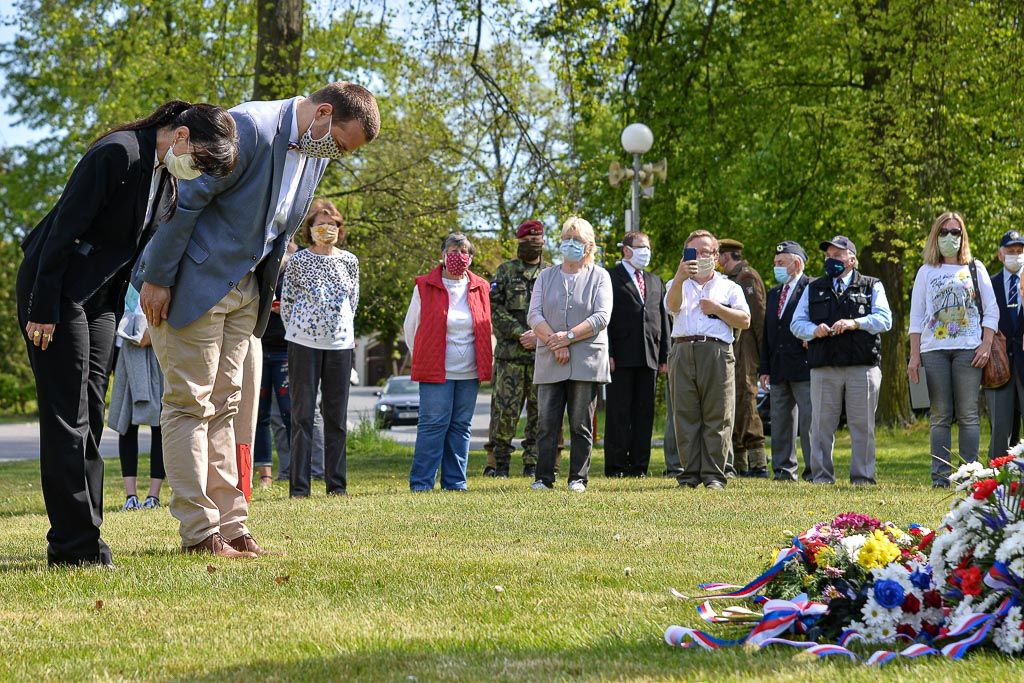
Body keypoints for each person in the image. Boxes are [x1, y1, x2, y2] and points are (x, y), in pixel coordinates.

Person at [136, 83, 380, 558]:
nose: (337, 154)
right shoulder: (246, 127)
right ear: (324, 112)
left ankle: (232, 525)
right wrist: (158, 277)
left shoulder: (314, 146)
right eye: (340, 143)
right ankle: (199, 533)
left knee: (227, 406)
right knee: (190, 405)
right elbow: (184, 199)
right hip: (192, 282)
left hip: (247, 289)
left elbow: (278, 222)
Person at [16, 100, 238, 568]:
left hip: (98, 300)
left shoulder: (164, 175)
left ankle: (87, 534)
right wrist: (42, 310)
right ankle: (73, 548)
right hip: (54, 294)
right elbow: (61, 232)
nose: (195, 172)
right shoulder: (118, 154)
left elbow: (126, 252)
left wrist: (119, 312)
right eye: (198, 160)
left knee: (92, 412)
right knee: (66, 418)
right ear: (180, 136)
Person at [790, 235, 893, 485]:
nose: (830, 260)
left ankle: (863, 478)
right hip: (824, 367)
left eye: (837, 256)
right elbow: (796, 323)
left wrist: (855, 323)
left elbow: (885, 319)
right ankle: (822, 477)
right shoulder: (813, 287)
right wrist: (813, 330)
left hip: (862, 367)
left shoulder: (871, 285)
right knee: (821, 427)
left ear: (852, 259)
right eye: (828, 256)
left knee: (862, 426)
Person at [908, 213, 997, 487]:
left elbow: (991, 311)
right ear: (936, 236)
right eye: (944, 231)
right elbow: (916, 316)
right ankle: (940, 478)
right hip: (933, 351)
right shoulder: (926, 271)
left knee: (969, 414)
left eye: (955, 232)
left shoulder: (975, 268)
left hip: (969, 351)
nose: (950, 237)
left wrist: (986, 344)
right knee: (940, 415)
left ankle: (970, 476)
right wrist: (914, 356)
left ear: (963, 236)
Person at [281, 198, 360, 497]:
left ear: (340, 228)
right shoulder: (299, 261)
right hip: (303, 344)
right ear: (310, 229)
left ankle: (336, 486)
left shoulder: (349, 261)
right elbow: (287, 301)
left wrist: (339, 329)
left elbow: (353, 301)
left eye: (333, 225)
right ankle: (300, 488)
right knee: (301, 415)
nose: (327, 229)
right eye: (321, 224)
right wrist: (299, 329)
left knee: (336, 417)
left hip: (340, 345)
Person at [528, 216, 612, 493]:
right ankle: (543, 478)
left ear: (589, 246)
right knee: (547, 423)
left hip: (585, 361)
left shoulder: (600, 276)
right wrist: (557, 342)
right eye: (567, 238)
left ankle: (578, 478)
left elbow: (601, 316)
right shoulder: (545, 276)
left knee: (580, 423)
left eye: (577, 240)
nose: (571, 244)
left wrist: (570, 337)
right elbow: (534, 314)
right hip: (550, 358)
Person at [404, 233, 493, 491]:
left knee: (461, 427)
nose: (458, 256)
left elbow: (485, 326)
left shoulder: (481, 287)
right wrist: (424, 355)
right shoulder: (424, 286)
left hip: (469, 371)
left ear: (471, 258)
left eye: (463, 251)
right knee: (433, 425)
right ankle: (421, 483)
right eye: (452, 251)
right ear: (442, 256)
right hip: (436, 370)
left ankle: (455, 483)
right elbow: (411, 328)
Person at [665, 230, 751, 490]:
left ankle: (714, 475)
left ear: (716, 257)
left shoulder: (729, 287)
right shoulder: (676, 282)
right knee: (685, 414)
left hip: (716, 351)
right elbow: (672, 307)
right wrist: (680, 277)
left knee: (718, 414)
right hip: (682, 350)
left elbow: (744, 320)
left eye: (706, 252)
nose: (700, 257)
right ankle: (689, 474)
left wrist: (717, 309)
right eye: (694, 252)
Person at [604, 231, 669, 477]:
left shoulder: (655, 280)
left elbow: (662, 320)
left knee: (644, 413)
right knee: (619, 413)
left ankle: (639, 466)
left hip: (649, 356)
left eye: (648, 247)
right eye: (641, 247)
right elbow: (605, 319)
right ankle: (616, 466)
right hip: (620, 356)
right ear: (626, 250)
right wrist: (607, 352)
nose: (646, 252)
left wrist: (664, 355)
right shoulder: (610, 277)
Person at [486, 219, 547, 479]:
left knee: (539, 414)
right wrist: (519, 332)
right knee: (504, 412)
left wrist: (539, 336)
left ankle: (533, 463)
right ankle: (499, 464)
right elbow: (493, 308)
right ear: (519, 243)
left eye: (537, 240)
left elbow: (557, 311)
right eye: (526, 241)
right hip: (510, 358)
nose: (532, 245)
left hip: (541, 357)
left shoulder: (551, 274)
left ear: (543, 242)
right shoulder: (505, 272)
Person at [758, 241, 814, 482]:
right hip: (779, 366)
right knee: (780, 421)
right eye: (775, 264)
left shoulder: (812, 288)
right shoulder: (773, 294)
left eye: (781, 263)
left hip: (805, 366)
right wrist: (764, 369)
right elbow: (768, 333)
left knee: (810, 422)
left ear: (797, 263)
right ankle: (783, 470)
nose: (776, 268)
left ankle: (815, 470)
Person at [108, 284, 165, 510]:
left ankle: (154, 496)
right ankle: (130, 497)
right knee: (126, 422)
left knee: (160, 422)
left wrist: (154, 332)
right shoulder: (125, 273)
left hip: (158, 345)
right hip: (126, 350)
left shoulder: (160, 264)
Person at [718, 238, 767, 477]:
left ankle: (758, 461)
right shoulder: (731, 279)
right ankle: (740, 461)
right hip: (735, 348)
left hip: (746, 349)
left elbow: (757, 318)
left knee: (747, 399)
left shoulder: (746, 277)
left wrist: (761, 354)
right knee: (735, 400)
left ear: (726, 257)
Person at [985, 229, 1024, 458]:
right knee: (1000, 429)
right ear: (1001, 254)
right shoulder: (989, 285)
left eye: (1020, 251)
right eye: (1011, 251)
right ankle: (995, 482)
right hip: (998, 364)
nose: (1016, 255)